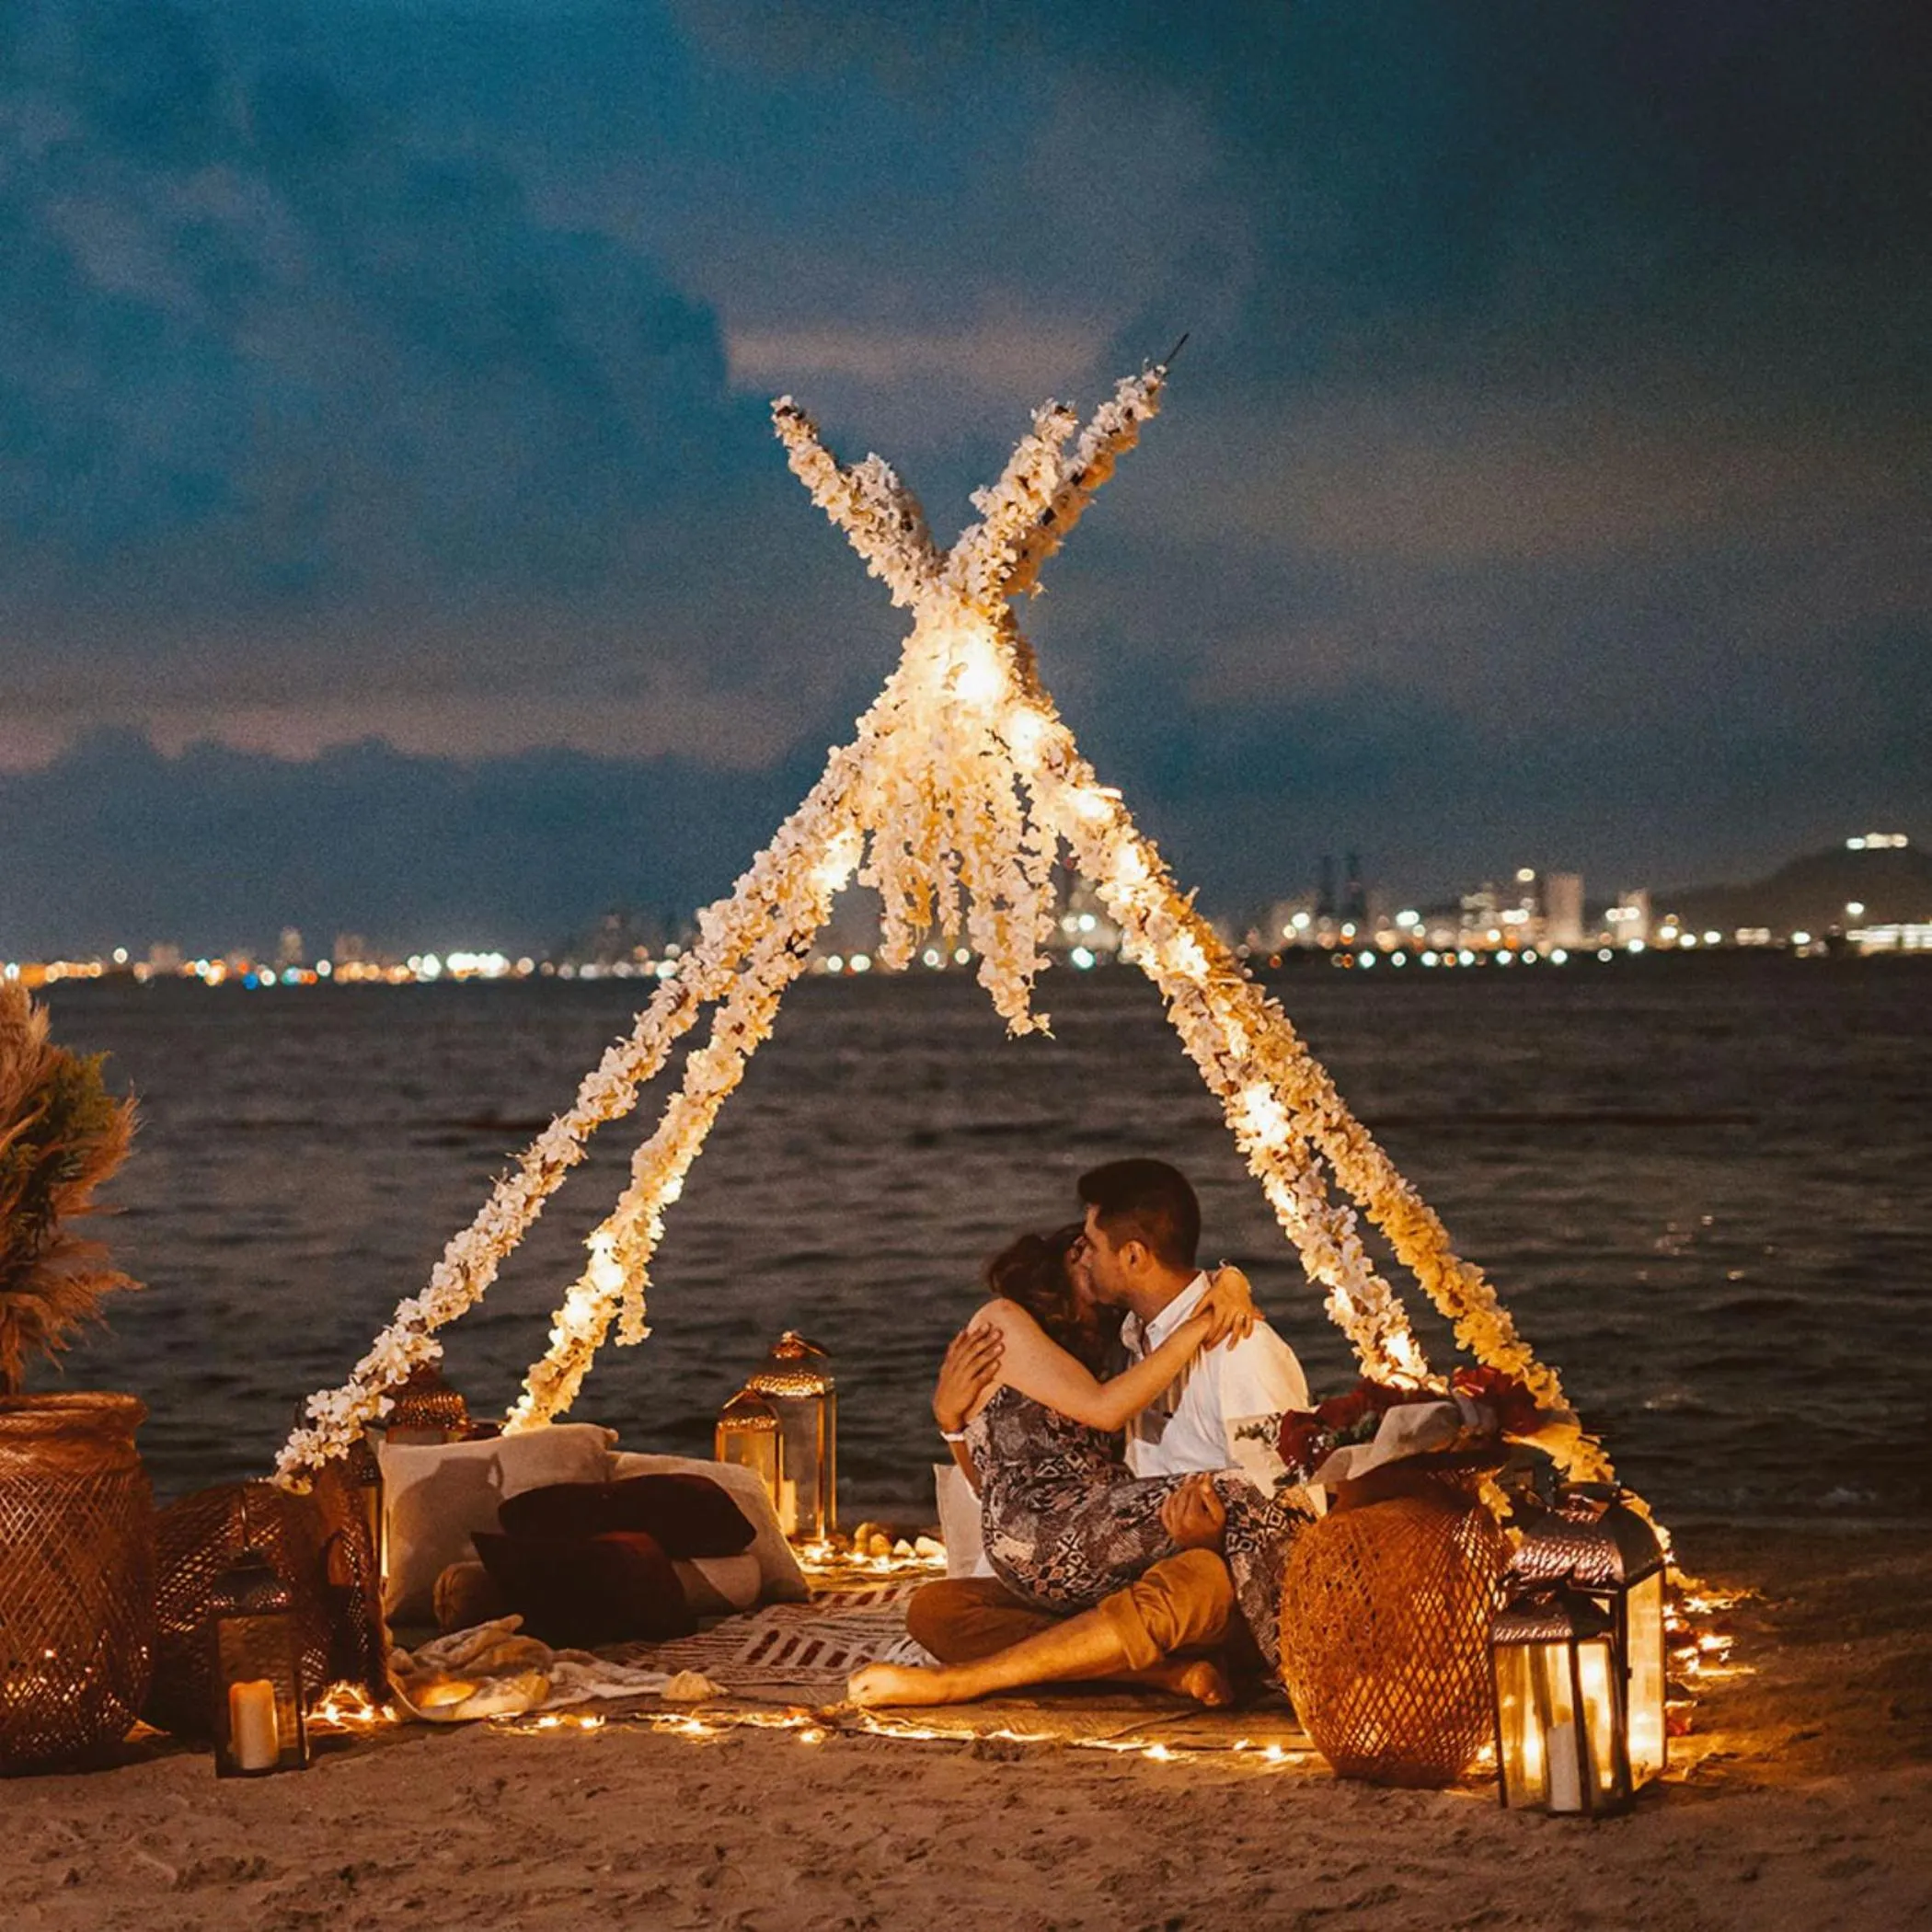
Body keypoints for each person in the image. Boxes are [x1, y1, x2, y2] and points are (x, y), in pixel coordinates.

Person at [850, 1159, 1315, 1708]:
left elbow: (1287, 1496)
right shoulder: (1131, 1343)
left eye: (1090, 1244)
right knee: (938, 1610)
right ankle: (1160, 1674)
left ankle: (968, 1682)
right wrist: (952, 1425)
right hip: (1121, 1565)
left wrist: (1213, 1539)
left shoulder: (1239, 1347)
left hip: (1217, 1582)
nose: (1083, 1253)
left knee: (1197, 1575)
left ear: (1134, 1256)